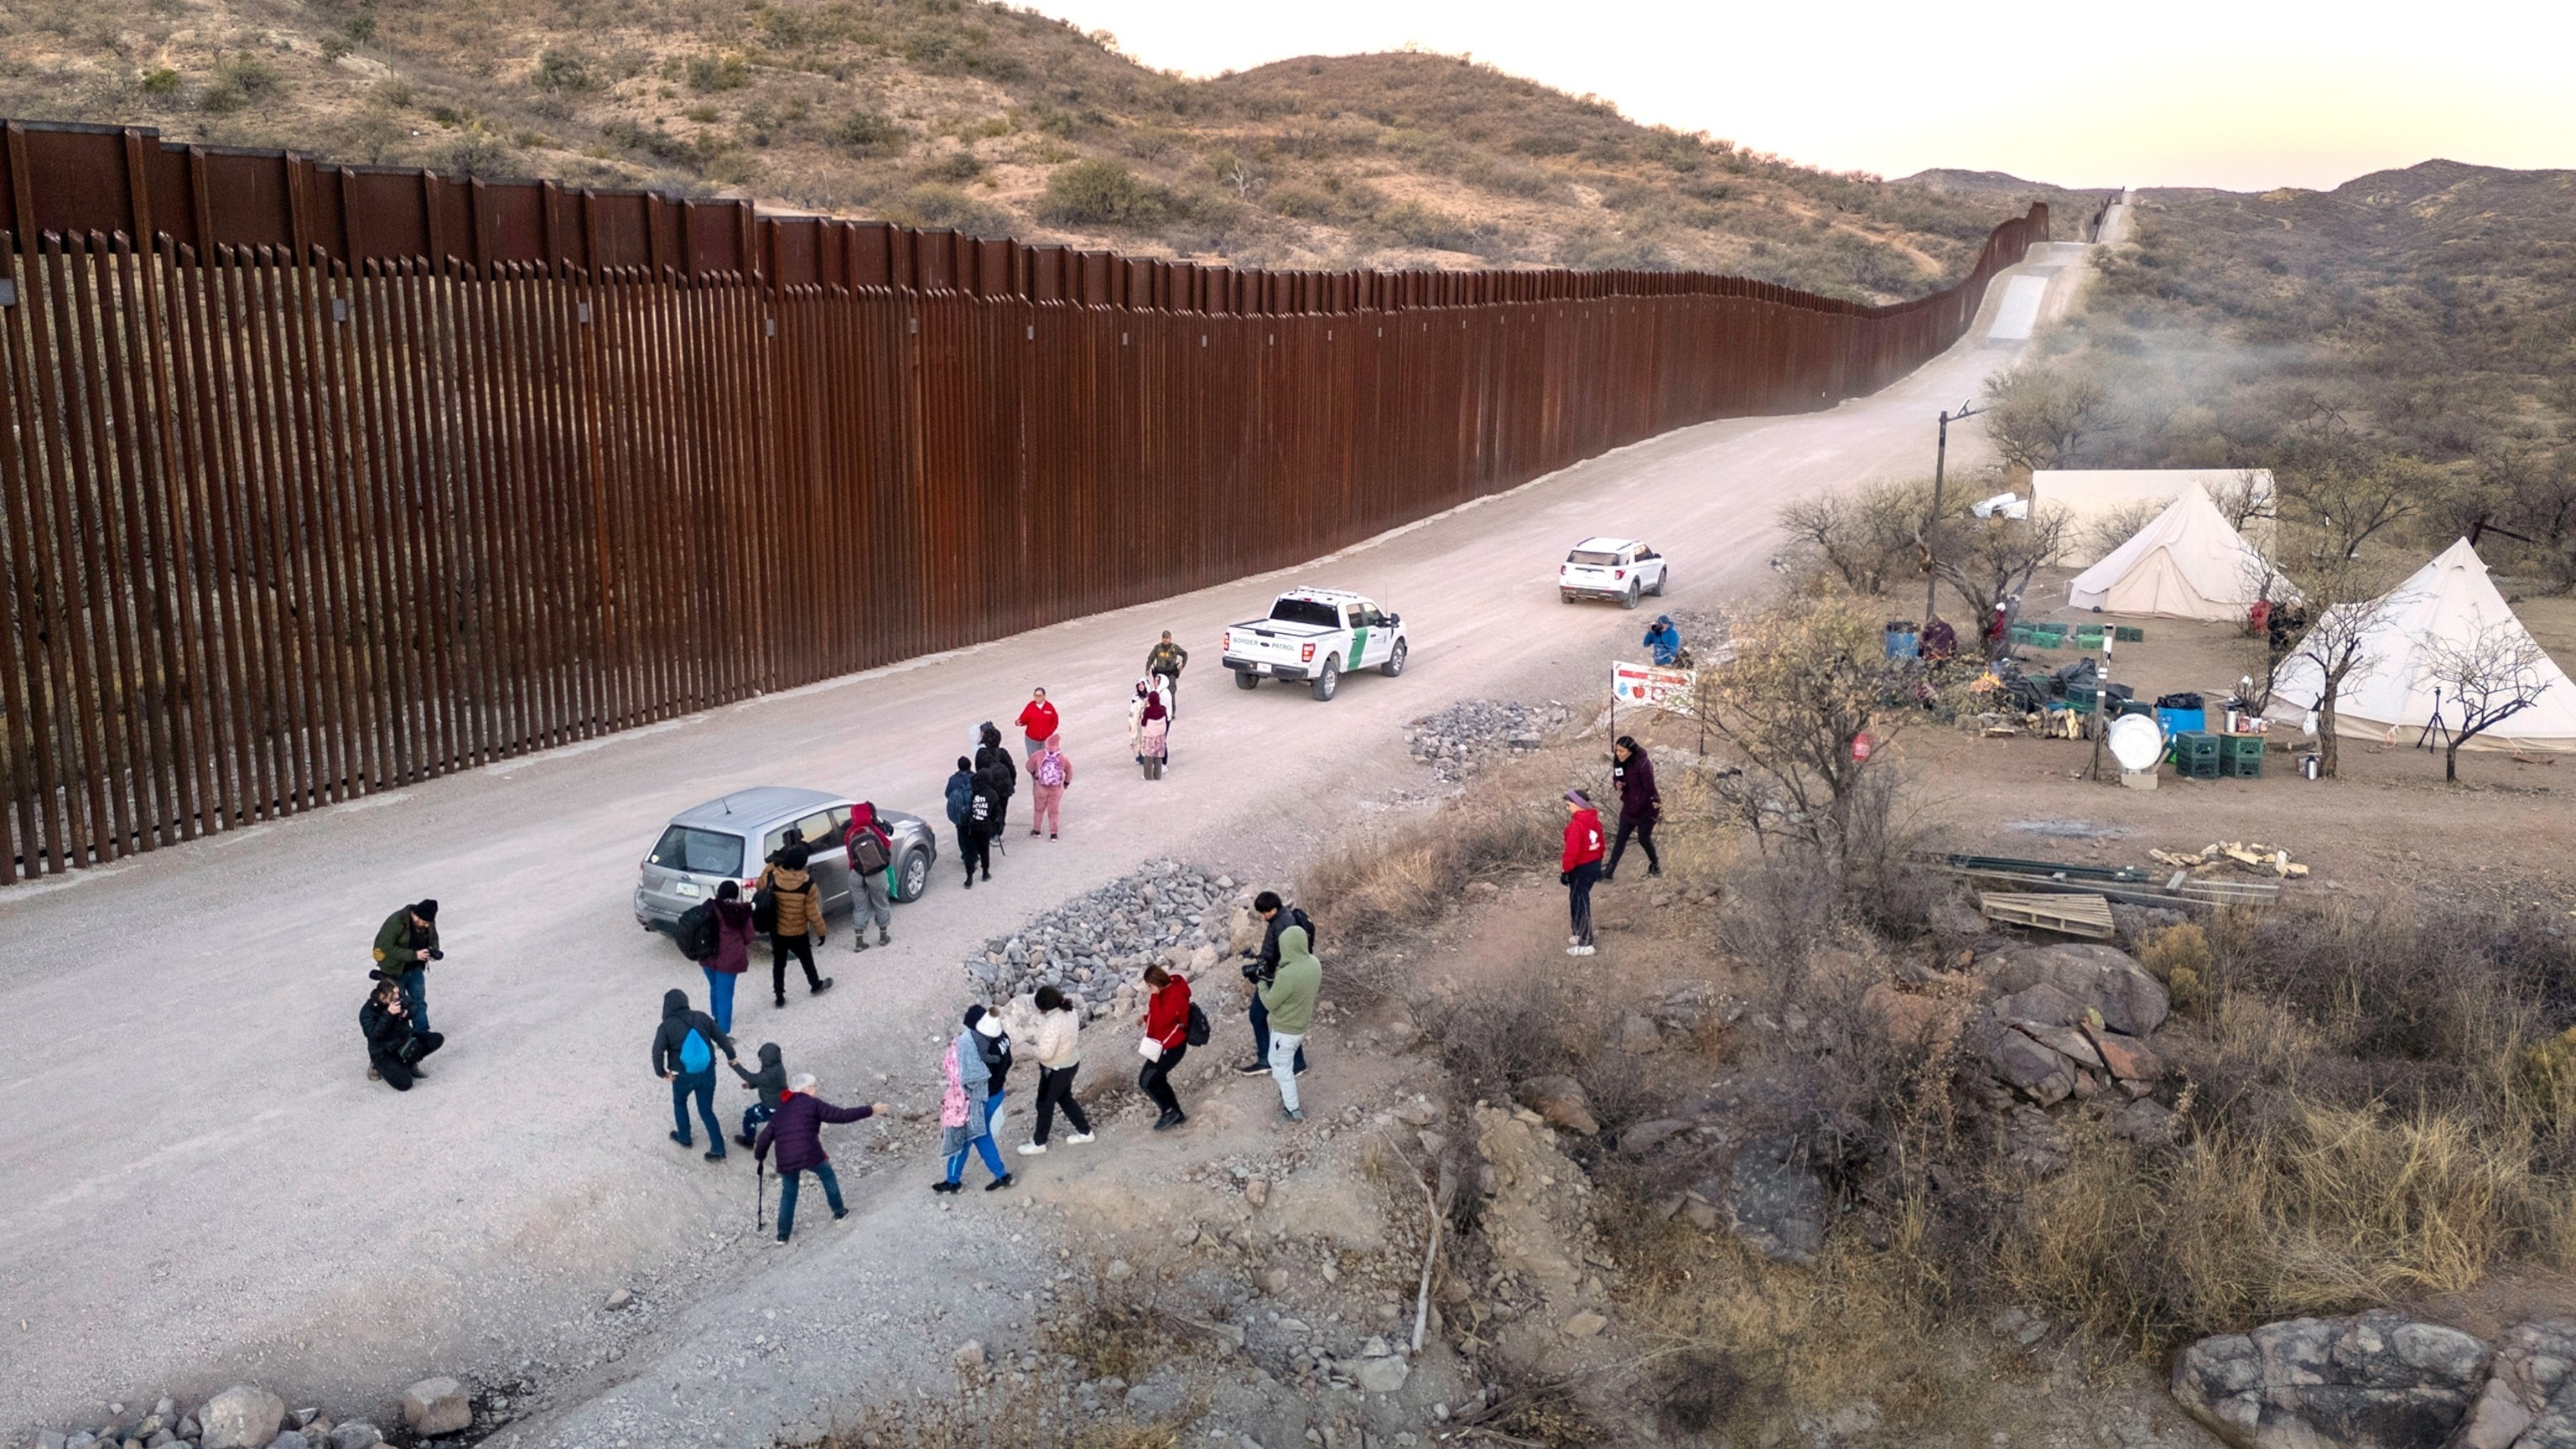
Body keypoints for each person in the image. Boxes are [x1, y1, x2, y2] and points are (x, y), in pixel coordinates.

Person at [753, 1073, 886, 1244]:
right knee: (827, 1175)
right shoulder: (812, 1104)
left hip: (786, 1158)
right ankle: (839, 1212)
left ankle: (782, 1235)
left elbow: (765, 1136)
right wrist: (870, 1110)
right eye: (814, 1086)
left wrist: (760, 1156)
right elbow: (842, 1115)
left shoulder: (782, 1109)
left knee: (789, 1192)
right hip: (810, 1152)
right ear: (806, 1089)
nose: (816, 1090)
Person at [652, 987, 740, 1161]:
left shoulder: (666, 1026)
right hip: (707, 1071)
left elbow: (657, 1052)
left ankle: (684, 1137)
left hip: (682, 1074)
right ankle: (718, 1149)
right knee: (706, 1111)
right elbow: (721, 1038)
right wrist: (732, 1057)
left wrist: (662, 1073)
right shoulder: (701, 1017)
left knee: (680, 1103)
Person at [936, 1007, 1014, 1192]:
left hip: (983, 1098)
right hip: (996, 1093)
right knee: (980, 1134)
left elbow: (971, 1078)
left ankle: (953, 1182)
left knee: (966, 1137)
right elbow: (1009, 1060)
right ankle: (1001, 1176)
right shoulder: (1001, 1036)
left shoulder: (978, 1046)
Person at [1235, 891, 1312, 1078]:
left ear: (1274, 908)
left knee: (1258, 1015)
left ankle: (1267, 1060)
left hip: (1276, 977)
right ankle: (1297, 1063)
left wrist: (1262, 973)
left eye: (1265, 912)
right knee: (1285, 1019)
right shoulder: (1285, 917)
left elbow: (1282, 955)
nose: (1263, 917)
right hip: (1282, 974)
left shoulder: (1282, 925)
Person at [1019, 984, 1094, 1155]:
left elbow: (1046, 1054)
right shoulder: (1070, 1012)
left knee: (1044, 1104)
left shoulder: (1052, 1024)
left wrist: (1030, 1049)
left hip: (1055, 1068)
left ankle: (1039, 1143)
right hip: (1070, 1061)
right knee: (1065, 1098)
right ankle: (1085, 1132)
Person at [1259, 924, 1322, 1123]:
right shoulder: (1314, 963)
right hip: (1301, 1025)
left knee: (1281, 1069)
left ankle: (1293, 1110)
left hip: (1285, 1031)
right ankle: (1287, 1095)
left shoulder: (1287, 975)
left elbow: (1269, 1003)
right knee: (1283, 1064)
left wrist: (1260, 983)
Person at [758, 843, 834, 1007]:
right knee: (807, 959)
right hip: (798, 930)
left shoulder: (773, 876)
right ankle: (815, 985)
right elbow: (812, 912)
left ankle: (779, 996)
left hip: (777, 929)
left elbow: (759, 886)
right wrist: (821, 931)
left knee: (779, 964)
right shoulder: (808, 883)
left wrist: (772, 865)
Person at [360, 975, 444, 1090]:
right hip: (384, 1051)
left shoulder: (398, 997)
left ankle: (411, 1061)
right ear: (383, 996)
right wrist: (388, 1014)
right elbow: (374, 1035)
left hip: (404, 1040)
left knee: (436, 1039)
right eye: (393, 994)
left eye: (397, 993)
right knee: (405, 1084)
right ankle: (378, 1066)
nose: (398, 997)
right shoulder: (368, 1011)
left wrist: (406, 1013)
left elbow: (414, 1007)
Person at [370, 899, 441, 1033]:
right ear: (417, 916)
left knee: (419, 1002)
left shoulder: (428, 921)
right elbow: (385, 947)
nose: (427, 926)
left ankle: (422, 1032)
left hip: (415, 968)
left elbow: (433, 938)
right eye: (425, 923)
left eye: (429, 923)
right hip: (394, 970)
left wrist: (433, 951)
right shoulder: (396, 921)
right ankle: (400, 1035)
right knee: (398, 1004)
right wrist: (414, 955)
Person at [1137, 963, 1192, 1130]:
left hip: (1171, 1048)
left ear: (1155, 983)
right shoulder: (1170, 989)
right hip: (1168, 1045)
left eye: (1150, 986)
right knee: (1158, 1079)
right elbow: (1161, 1016)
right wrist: (1145, 1018)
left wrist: (1154, 996)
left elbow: (1160, 1022)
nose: (1150, 990)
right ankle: (1175, 1113)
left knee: (1146, 1081)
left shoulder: (1174, 996)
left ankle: (1169, 1111)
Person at [1603, 737, 1662, 882]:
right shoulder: (1619, 761)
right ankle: (1610, 870)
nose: (1618, 754)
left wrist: (1638, 804)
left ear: (1631, 751)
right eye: (1617, 750)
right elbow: (1617, 775)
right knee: (1621, 838)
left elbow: (1649, 789)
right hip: (1630, 804)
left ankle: (1655, 865)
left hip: (1648, 807)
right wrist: (1617, 783)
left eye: (1622, 751)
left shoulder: (1643, 764)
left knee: (1644, 838)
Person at [701, 880, 756, 1031]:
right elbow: (749, 937)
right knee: (725, 996)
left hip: (707, 956)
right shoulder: (740, 912)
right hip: (729, 959)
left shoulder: (708, 907)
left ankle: (716, 1018)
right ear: (736, 895)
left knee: (714, 987)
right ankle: (723, 1033)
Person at [842, 802, 894, 953]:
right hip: (875, 872)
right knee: (881, 903)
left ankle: (859, 942)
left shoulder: (849, 832)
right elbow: (887, 844)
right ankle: (883, 937)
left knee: (860, 907)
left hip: (856, 873)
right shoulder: (873, 829)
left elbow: (850, 853)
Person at [1561, 788, 1605, 957]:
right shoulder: (1595, 822)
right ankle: (1579, 932)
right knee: (1577, 899)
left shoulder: (1576, 826)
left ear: (1578, 804)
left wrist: (1566, 870)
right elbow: (1602, 846)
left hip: (1580, 867)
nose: (1567, 808)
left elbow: (1571, 852)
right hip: (1593, 864)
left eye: (1568, 805)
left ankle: (1586, 943)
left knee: (1580, 902)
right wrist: (1598, 864)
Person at [731, 1041, 786, 1148]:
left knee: (750, 1115)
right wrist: (751, 1086)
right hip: (780, 1101)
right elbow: (766, 1082)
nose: (760, 1060)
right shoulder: (778, 1067)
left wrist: (736, 1066)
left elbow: (750, 1077)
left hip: (771, 1105)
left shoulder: (767, 1074)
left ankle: (749, 1141)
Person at [947, 756, 991, 888]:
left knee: (962, 836)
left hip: (960, 815)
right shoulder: (975, 777)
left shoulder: (953, 779)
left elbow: (947, 794)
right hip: (974, 813)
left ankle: (966, 856)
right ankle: (977, 858)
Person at [974, 723, 1018, 845]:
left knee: (989, 810)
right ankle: (997, 834)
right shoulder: (1003, 753)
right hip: (1004, 787)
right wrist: (1012, 783)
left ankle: (989, 833)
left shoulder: (981, 754)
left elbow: (979, 771)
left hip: (989, 788)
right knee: (1002, 810)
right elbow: (1011, 769)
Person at [1029, 735, 1072, 839]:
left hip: (1040, 787)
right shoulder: (1062, 758)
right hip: (1056, 788)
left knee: (1039, 809)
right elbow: (1069, 771)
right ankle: (1053, 833)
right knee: (1054, 811)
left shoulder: (1039, 754)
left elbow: (1029, 765)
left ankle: (1037, 831)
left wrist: (1034, 774)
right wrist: (1066, 783)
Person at [1145, 631, 1188, 719]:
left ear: (1170, 639)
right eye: (1164, 638)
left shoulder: (1174, 648)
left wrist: (1182, 666)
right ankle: (1159, 711)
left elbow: (1185, 654)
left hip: (1170, 674)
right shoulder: (1158, 648)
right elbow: (1151, 658)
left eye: (1167, 638)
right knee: (1158, 693)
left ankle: (1171, 712)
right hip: (1160, 674)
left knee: (1171, 692)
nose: (1165, 640)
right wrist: (1147, 668)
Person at [1015, 688, 1060, 765]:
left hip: (1045, 741)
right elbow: (1023, 719)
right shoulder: (1030, 706)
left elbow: (1055, 721)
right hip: (1032, 741)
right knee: (1034, 762)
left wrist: (1049, 732)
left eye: (1039, 696)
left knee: (1044, 762)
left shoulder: (1049, 707)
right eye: (1035, 695)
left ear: (1044, 696)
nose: (1037, 698)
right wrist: (1018, 722)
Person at [1138, 692, 1170, 779]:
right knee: (1158, 756)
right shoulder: (1163, 709)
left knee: (1149, 757)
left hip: (1150, 736)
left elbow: (1143, 723)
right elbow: (1166, 719)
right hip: (1160, 736)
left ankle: (1148, 776)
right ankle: (1158, 775)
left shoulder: (1148, 711)